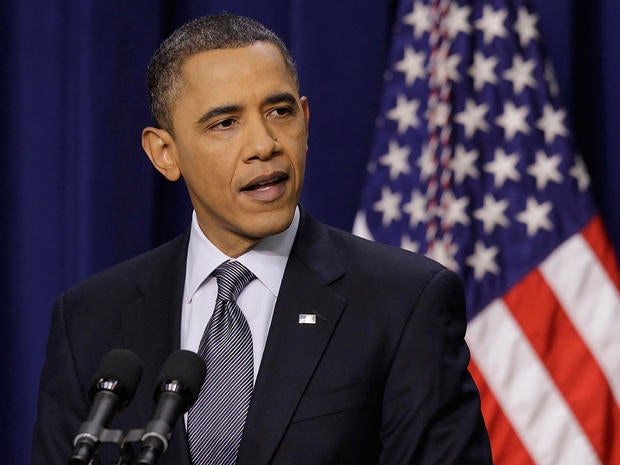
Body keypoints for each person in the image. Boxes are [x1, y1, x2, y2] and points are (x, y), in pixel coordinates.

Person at [32, 13, 492, 465]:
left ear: (305, 121)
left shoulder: (404, 302)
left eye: (279, 112)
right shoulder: (89, 319)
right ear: (165, 153)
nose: (265, 144)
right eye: (225, 123)